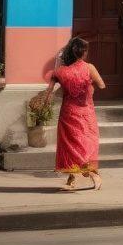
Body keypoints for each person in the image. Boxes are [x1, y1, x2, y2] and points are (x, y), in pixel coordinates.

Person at [40, 36, 104, 191]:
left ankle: (73, 178)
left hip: (68, 112)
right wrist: (89, 87)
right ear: (84, 53)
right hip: (86, 112)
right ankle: (89, 175)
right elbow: (101, 85)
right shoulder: (90, 68)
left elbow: (48, 96)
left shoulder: (58, 72)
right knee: (86, 144)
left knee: (69, 145)